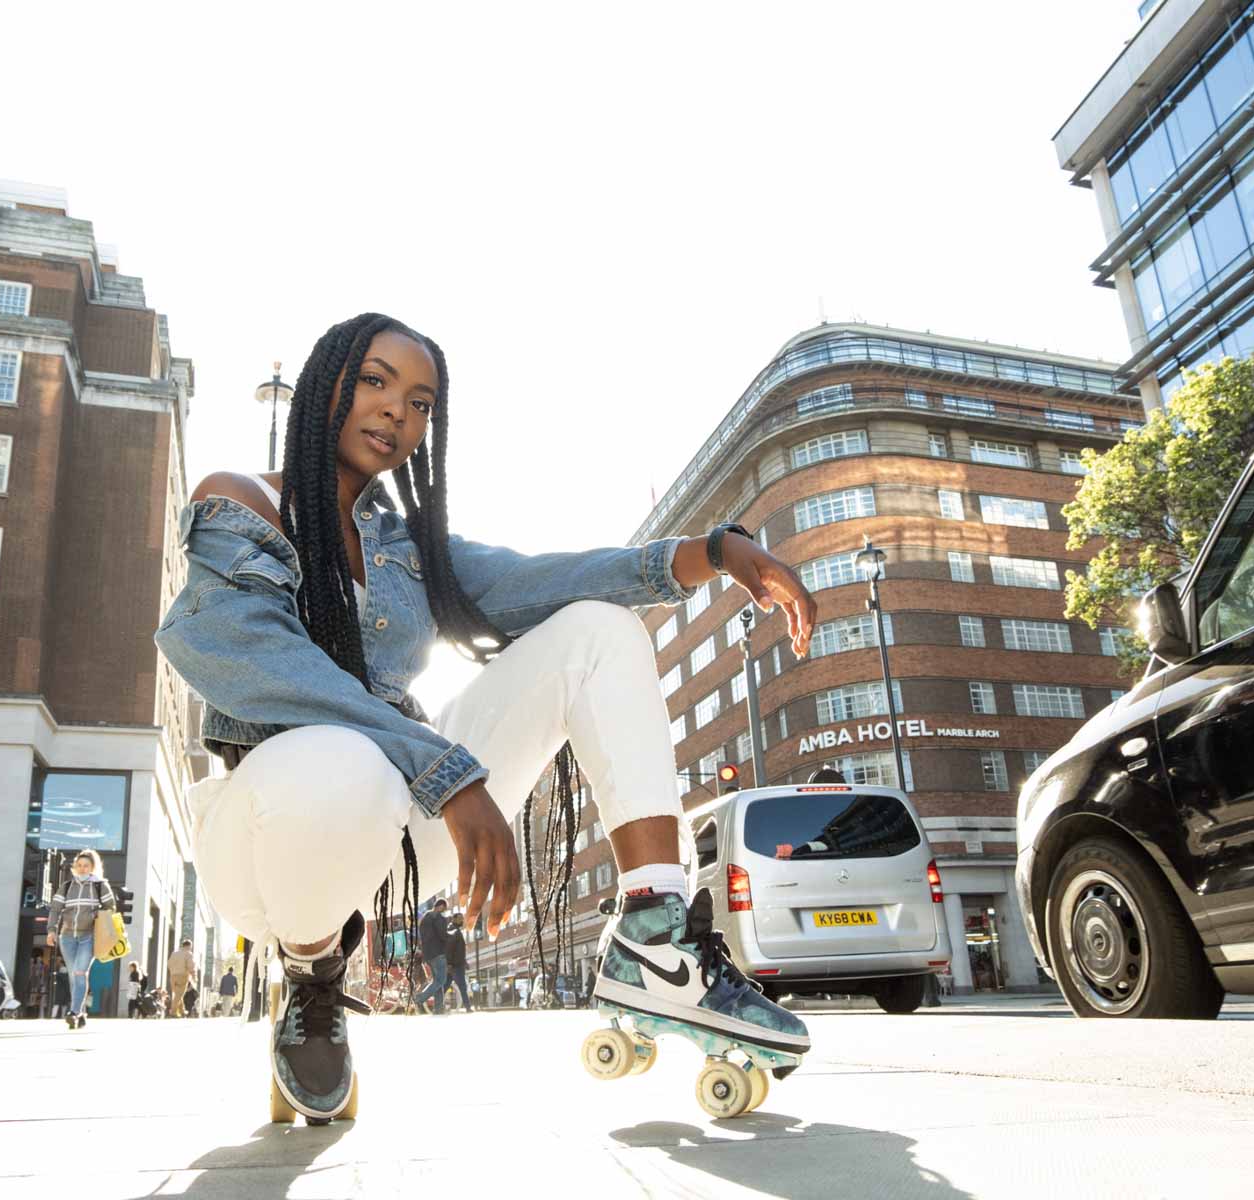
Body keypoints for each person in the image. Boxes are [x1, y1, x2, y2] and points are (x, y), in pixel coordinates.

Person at [160, 313, 816, 1124]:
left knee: (595, 629)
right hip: (263, 841)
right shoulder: (239, 503)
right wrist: (448, 772)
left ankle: (655, 934)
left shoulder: (407, 548)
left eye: (422, 401)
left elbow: (551, 575)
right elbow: (259, 665)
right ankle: (311, 973)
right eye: (375, 381)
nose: (399, 411)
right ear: (326, 382)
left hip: (395, 830)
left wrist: (713, 552)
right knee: (340, 753)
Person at [46, 849, 116, 1030]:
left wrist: (99, 919)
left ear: (93, 867)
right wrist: (52, 930)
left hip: (89, 936)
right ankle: (82, 1012)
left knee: (79, 972)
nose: (83, 868)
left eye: (86, 865)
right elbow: (55, 909)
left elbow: (111, 908)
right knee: (73, 975)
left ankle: (74, 1012)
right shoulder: (67, 886)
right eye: (80, 865)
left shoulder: (100, 885)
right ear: (75, 867)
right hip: (67, 936)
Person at [414, 899, 451, 1014]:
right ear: (440, 906)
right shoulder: (439, 918)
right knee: (441, 980)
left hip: (428, 955)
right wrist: (451, 935)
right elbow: (442, 935)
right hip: (438, 953)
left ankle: (438, 1009)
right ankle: (419, 999)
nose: (443, 912)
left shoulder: (424, 918)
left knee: (437, 982)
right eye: (444, 909)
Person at [442, 917, 471, 1013]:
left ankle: (437, 1006)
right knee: (462, 986)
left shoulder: (454, 931)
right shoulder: (454, 932)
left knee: (445, 987)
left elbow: (458, 951)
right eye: (460, 919)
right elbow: (449, 950)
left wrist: (464, 961)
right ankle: (468, 1007)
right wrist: (449, 964)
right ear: (454, 920)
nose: (462, 921)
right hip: (455, 966)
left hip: (454, 964)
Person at [168, 939, 197, 1018]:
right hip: (183, 976)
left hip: (173, 976)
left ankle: (182, 1011)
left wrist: (173, 971)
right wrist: (194, 976)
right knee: (179, 995)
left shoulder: (174, 953)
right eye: (191, 946)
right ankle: (173, 1012)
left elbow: (169, 964)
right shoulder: (188, 954)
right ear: (189, 946)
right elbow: (191, 966)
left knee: (178, 994)